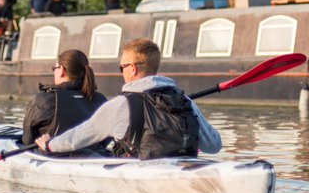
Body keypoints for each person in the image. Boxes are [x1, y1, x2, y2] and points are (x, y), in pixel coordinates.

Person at [36, 38, 221, 160]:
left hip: (139, 179)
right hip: (183, 172)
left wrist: (49, 144)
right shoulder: (185, 101)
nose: (122, 72)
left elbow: (78, 138)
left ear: (132, 68)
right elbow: (214, 146)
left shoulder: (120, 105)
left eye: (122, 67)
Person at [20, 49, 108, 147]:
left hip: (53, 157)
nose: (54, 72)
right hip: (93, 156)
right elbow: (106, 138)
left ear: (61, 70)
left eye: (54, 68)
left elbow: (27, 140)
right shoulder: (101, 100)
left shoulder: (43, 101)